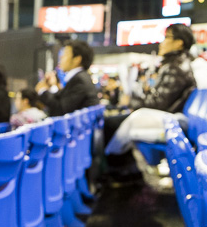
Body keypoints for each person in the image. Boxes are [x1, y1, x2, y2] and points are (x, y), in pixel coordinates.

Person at [105, 23, 197, 156]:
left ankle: (116, 166)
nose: (162, 43)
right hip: (169, 115)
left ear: (179, 43)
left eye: (167, 38)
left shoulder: (176, 67)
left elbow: (158, 104)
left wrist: (130, 101)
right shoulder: (176, 64)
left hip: (169, 118)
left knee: (110, 123)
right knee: (115, 120)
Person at [36, 40, 99, 116]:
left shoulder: (79, 80)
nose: (61, 57)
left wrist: (42, 90)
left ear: (77, 59)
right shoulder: (81, 77)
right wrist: (53, 86)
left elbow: (61, 109)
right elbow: (65, 101)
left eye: (65, 54)